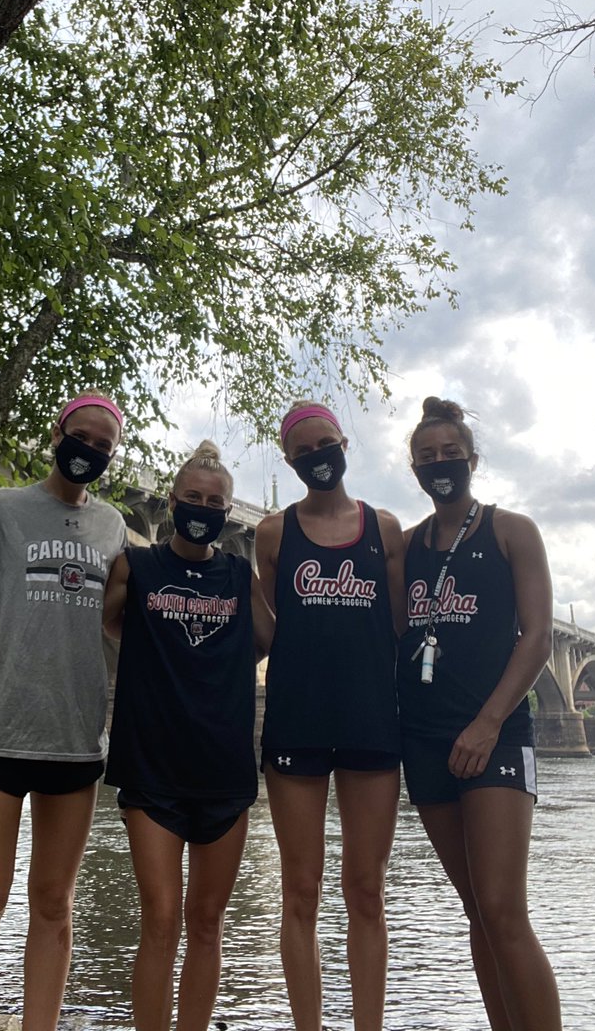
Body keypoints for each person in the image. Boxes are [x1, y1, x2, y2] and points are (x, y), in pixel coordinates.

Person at [0, 394, 129, 1031]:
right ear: (58, 432)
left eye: (104, 445)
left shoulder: (115, 527)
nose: (90, 451)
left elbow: (116, 625)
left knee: (55, 908)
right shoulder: (3, 507)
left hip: (75, 741)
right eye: (82, 437)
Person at [397, 397, 561, 1031]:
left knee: (502, 906)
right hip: (425, 740)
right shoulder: (407, 548)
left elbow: (538, 637)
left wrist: (489, 721)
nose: (440, 464)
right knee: (475, 909)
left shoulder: (510, 530)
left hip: (494, 736)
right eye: (427, 457)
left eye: (450, 454)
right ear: (413, 467)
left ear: (471, 458)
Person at [102, 442, 274, 1031]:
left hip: (224, 770)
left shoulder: (237, 574)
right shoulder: (137, 565)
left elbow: (270, 642)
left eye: (215, 502)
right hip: (151, 768)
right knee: (160, 922)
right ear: (172, 502)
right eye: (193, 498)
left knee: (207, 926)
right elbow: (95, 622)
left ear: (227, 512)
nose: (203, 508)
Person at [255, 402, 405, 1031]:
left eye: (327, 444)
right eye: (304, 450)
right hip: (297, 721)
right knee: (301, 891)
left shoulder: (385, 529)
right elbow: (265, 630)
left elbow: (397, 627)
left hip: (372, 721)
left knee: (366, 890)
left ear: (344, 444)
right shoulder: (272, 534)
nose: (319, 456)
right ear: (291, 461)